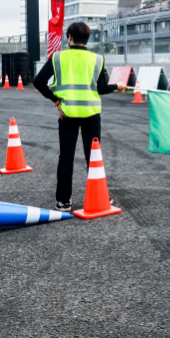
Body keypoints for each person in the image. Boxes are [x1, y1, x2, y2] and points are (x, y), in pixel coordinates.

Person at [33, 22, 126, 212]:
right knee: (93, 157)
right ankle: (101, 197)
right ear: (88, 38)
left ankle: (63, 201)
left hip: (67, 114)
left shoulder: (57, 57)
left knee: (66, 156)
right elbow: (101, 88)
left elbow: (38, 81)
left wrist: (56, 101)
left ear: (69, 37)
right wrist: (117, 86)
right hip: (91, 114)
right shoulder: (98, 59)